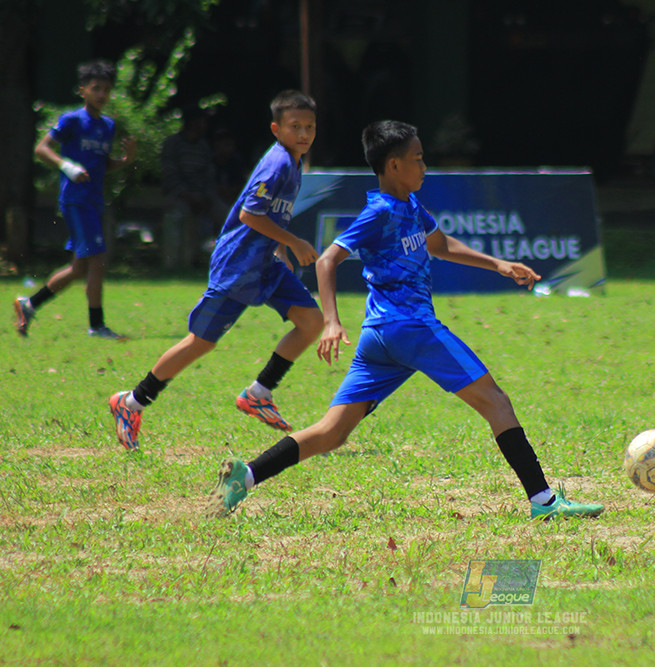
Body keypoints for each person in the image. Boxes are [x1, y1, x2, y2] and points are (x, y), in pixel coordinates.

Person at [207, 120, 604, 520]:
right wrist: (331, 321)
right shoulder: (379, 211)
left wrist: (498, 264)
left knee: (332, 432)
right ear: (393, 166)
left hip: (380, 337)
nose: (424, 165)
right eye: (417, 158)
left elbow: (441, 244)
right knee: (496, 402)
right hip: (410, 327)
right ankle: (545, 502)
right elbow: (328, 259)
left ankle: (248, 475)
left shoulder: (411, 205)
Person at [108, 90, 324, 450]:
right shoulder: (279, 163)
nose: (303, 133)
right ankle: (131, 402)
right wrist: (295, 241)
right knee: (201, 343)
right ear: (276, 129)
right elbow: (249, 215)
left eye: (310, 127)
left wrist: (282, 250)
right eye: (295, 126)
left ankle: (258, 393)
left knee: (311, 322)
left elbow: (273, 213)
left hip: (266, 263)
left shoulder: (295, 161)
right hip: (239, 266)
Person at [16, 60, 136, 340]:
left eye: (106, 89)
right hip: (76, 199)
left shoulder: (107, 126)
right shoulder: (72, 120)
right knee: (98, 260)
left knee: (79, 267)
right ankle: (97, 326)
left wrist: (127, 160)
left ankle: (29, 304)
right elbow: (41, 149)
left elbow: (101, 165)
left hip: (93, 200)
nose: (102, 94)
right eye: (96, 88)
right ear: (82, 90)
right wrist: (67, 166)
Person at [160, 106, 230, 267]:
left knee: (227, 216)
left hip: (203, 197)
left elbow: (209, 177)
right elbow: (170, 175)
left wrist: (205, 197)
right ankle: (175, 262)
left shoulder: (203, 147)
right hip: (179, 196)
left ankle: (223, 262)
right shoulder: (173, 144)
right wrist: (188, 196)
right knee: (177, 216)